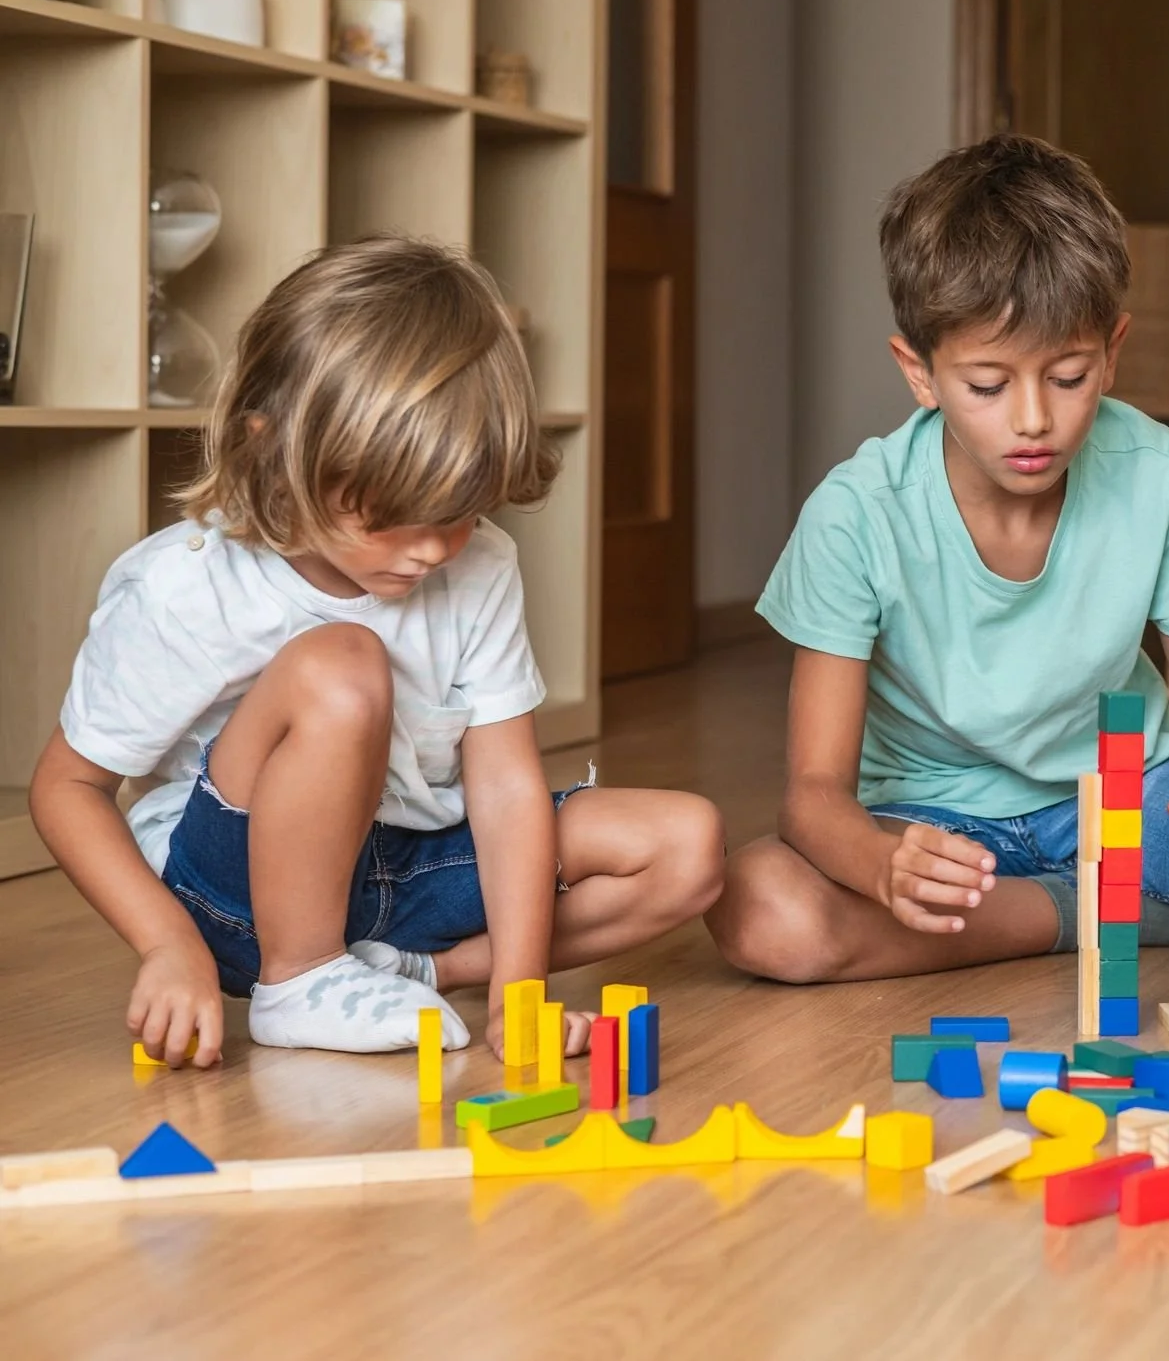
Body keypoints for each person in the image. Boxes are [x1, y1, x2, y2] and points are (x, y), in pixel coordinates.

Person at [710, 135, 1169, 983]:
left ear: (1111, 351)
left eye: (1069, 376)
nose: (1032, 421)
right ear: (919, 372)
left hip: (1131, 800)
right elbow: (814, 795)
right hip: (932, 821)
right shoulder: (854, 515)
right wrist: (879, 866)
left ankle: (1094, 898)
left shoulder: (1156, 473)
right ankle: (1098, 910)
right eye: (986, 386)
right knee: (763, 907)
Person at [30, 236, 723, 1066]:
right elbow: (68, 786)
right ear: (275, 452)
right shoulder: (185, 588)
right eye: (391, 515)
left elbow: (504, 787)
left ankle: (417, 975)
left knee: (688, 843)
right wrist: (166, 947)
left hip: (400, 876)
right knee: (341, 663)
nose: (432, 551)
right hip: (228, 898)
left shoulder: (481, 563)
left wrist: (520, 992)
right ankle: (300, 982)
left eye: (458, 513)